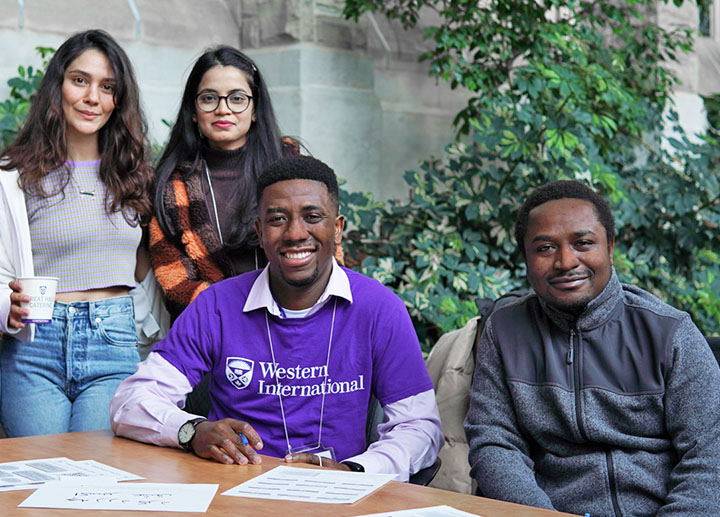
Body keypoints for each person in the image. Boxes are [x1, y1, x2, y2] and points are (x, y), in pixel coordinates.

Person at [111, 155, 442, 481]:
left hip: (337, 496)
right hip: (231, 494)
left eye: (312, 216)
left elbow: (419, 427)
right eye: (277, 219)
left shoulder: (380, 308)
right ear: (259, 230)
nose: (296, 233)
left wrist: (358, 471)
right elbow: (131, 402)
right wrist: (190, 430)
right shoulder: (217, 305)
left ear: (337, 228)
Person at [464, 180, 720, 516]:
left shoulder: (669, 332)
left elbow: (709, 458)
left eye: (583, 243)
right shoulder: (505, 330)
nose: (566, 261)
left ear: (611, 247)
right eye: (545, 248)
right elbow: (494, 444)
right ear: (525, 257)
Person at [0, 29, 154, 436]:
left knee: (101, 482)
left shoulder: (136, 177)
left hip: (114, 343)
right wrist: (7, 309)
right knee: (38, 483)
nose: (92, 98)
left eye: (107, 87)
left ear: (118, 100)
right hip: (35, 347)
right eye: (80, 80)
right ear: (58, 86)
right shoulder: (14, 177)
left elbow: (152, 273)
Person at [151, 46, 320, 320]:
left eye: (237, 98)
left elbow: (324, 251)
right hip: (214, 330)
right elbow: (175, 282)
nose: (223, 109)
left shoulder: (290, 163)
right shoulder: (173, 185)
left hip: (295, 321)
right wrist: (233, 319)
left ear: (255, 109)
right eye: (209, 98)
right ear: (193, 111)